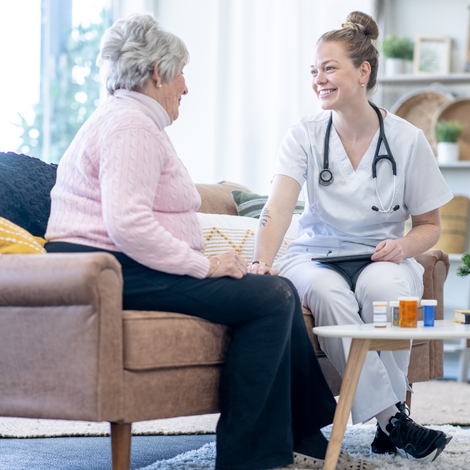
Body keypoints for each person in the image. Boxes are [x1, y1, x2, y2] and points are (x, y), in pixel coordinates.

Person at [43, 13, 377, 470]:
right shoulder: (130, 126)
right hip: (109, 267)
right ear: (157, 73)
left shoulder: (130, 120)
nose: (186, 87)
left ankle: (300, 431)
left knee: (273, 289)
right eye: (181, 73)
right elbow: (128, 224)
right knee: (272, 295)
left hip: (117, 264)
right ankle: (251, 454)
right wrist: (203, 265)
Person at [250, 10, 454, 464]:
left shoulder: (407, 140)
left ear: (363, 72)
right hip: (316, 256)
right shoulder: (304, 134)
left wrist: (403, 247)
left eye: (329, 68)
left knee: (389, 289)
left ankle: (389, 423)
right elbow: (278, 206)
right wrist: (261, 263)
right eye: (313, 71)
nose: (318, 79)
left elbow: (430, 225)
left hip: (381, 257)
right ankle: (393, 421)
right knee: (328, 295)